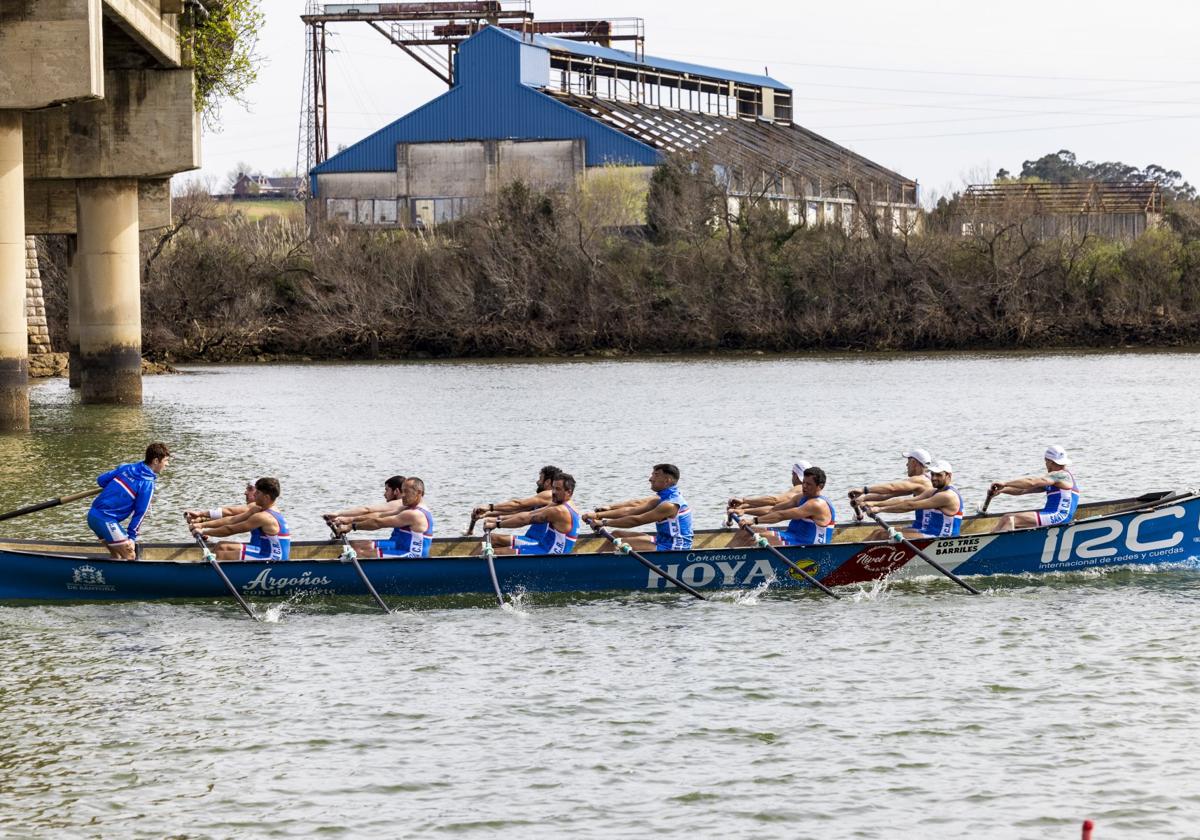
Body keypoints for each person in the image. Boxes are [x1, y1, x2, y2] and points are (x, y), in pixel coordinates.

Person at [87, 442, 171, 560]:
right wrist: (131, 538)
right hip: (105, 520)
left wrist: (117, 487)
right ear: (156, 461)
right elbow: (140, 513)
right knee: (130, 556)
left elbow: (101, 480)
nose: (167, 464)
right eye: (166, 461)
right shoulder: (147, 483)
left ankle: (109, 576)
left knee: (116, 556)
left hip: (92, 516)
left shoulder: (126, 467)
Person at [585, 463, 693, 553]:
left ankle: (586, 567)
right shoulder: (663, 498)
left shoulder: (669, 505)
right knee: (616, 534)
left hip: (674, 548)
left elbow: (637, 520)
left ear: (667, 480)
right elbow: (633, 508)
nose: (650, 479)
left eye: (656, 475)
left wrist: (603, 523)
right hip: (661, 540)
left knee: (616, 543)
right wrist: (599, 514)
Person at [728, 466, 836, 547]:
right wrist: (744, 510)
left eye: (809, 484)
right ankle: (722, 556)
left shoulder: (817, 504)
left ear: (820, 486)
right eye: (803, 483)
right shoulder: (800, 497)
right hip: (792, 536)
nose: (804, 486)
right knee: (743, 532)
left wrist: (753, 520)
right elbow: (773, 509)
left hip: (809, 546)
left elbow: (781, 515)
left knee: (754, 539)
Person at [475, 474, 581, 556]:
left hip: (549, 554)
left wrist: (497, 525)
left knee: (495, 553)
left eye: (557, 489)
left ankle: (467, 570)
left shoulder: (559, 511)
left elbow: (524, 520)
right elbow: (530, 513)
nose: (553, 492)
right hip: (541, 547)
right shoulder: (563, 504)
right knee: (491, 542)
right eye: (553, 488)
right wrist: (498, 520)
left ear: (569, 492)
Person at [190, 477, 291, 562]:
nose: (254, 494)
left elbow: (231, 529)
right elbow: (232, 520)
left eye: (258, 492)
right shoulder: (260, 509)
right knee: (221, 546)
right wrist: (202, 525)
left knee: (222, 554)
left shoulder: (264, 517)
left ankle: (206, 577)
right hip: (266, 552)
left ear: (266, 497)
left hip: (274, 559)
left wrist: (203, 531)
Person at [331, 477, 433, 558]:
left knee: (359, 552)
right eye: (402, 491)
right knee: (357, 547)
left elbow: (378, 523)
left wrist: (351, 527)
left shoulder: (414, 514)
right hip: (401, 549)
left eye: (406, 491)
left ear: (419, 493)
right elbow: (379, 515)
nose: (403, 495)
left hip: (412, 556)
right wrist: (348, 520)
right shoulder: (407, 508)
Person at [988, 445, 1080, 532]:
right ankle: (989, 541)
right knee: (1006, 518)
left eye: (1046, 462)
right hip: (1051, 515)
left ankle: (999, 547)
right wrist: (1001, 490)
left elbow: (1032, 482)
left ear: (1049, 461)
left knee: (1010, 519)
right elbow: (1022, 490)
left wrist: (1005, 483)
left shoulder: (1061, 475)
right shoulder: (1055, 480)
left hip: (1058, 516)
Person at [861, 460, 963, 539]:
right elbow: (906, 501)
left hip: (941, 538)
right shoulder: (933, 491)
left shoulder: (947, 496)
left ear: (949, 476)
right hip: (929, 532)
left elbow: (911, 506)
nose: (934, 478)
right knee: (878, 532)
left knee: (883, 535)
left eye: (939, 475)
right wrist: (875, 505)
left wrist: (880, 510)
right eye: (932, 474)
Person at [470, 465, 560, 543]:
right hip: (531, 538)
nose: (537, 482)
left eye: (540, 479)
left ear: (548, 482)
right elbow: (516, 511)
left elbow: (518, 504)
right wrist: (486, 514)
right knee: (490, 540)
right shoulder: (545, 500)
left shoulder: (549, 494)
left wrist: (489, 507)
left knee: (490, 539)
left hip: (537, 542)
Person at [848, 448, 933, 526]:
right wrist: (865, 499)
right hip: (924, 524)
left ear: (914, 462)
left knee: (878, 535)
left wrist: (864, 490)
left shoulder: (921, 480)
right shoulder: (926, 479)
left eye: (908, 461)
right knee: (878, 534)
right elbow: (889, 494)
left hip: (929, 527)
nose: (906, 465)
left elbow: (891, 487)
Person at [727, 461, 811, 516]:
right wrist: (743, 507)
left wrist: (744, 500)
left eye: (792, 474)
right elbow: (774, 508)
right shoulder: (808, 490)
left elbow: (774, 500)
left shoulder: (799, 489)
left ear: (795, 475)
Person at [321, 476, 406, 528]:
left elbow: (367, 509)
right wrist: (348, 520)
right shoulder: (401, 505)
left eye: (387, 490)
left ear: (396, 491)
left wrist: (339, 514)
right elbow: (377, 516)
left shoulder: (400, 503)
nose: (384, 494)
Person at [185, 482, 259, 525]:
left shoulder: (257, 506)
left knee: (221, 547)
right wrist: (202, 520)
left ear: (260, 492)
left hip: (263, 550)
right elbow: (230, 518)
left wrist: (200, 514)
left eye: (250, 489)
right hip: (260, 548)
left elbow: (229, 511)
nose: (245, 493)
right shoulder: (253, 511)